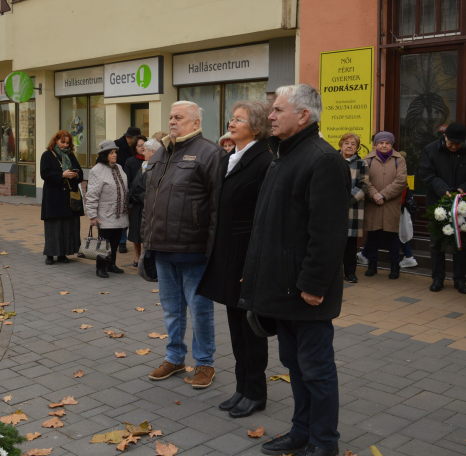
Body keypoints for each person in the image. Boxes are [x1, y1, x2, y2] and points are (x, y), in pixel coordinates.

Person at [240, 84, 349, 456]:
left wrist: (314, 284)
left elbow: (329, 233)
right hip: (282, 291)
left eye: (278, 110)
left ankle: (324, 442)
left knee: (316, 370)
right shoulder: (282, 157)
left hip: (305, 292)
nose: (269, 116)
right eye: (271, 110)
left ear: (304, 116)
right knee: (295, 367)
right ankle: (301, 432)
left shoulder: (324, 160)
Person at [197, 100, 274, 418]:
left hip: (246, 256)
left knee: (251, 329)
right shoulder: (232, 156)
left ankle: (256, 392)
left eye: (239, 119)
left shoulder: (264, 160)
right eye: (232, 118)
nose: (231, 123)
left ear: (256, 127)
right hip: (227, 253)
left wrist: (253, 264)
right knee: (235, 325)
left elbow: (263, 218)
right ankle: (242, 388)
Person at [142, 101, 223, 389]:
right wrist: (145, 242)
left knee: (200, 309)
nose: (173, 121)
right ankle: (175, 357)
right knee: (171, 309)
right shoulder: (160, 153)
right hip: (162, 249)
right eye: (171, 117)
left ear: (196, 123)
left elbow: (218, 208)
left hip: (194, 250)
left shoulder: (209, 153)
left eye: (179, 117)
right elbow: (149, 204)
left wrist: (213, 251)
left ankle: (205, 363)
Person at [419, 122, 466, 293]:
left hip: (462, 205)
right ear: (444, 137)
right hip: (438, 202)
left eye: (458, 144)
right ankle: (437, 278)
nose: (454, 147)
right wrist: (444, 190)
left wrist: (464, 188)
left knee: (461, 243)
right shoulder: (431, 149)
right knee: (436, 243)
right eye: (451, 143)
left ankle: (459, 280)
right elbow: (426, 174)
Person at [362, 132, 407, 279]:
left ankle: (395, 267)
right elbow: (364, 180)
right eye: (380, 143)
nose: (383, 145)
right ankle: (372, 265)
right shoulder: (367, 159)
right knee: (373, 235)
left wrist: (383, 195)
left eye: (387, 143)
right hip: (372, 203)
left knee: (392, 237)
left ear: (392, 145)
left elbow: (401, 181)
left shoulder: (399, 159)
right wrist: (375, 195)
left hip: (391, 203)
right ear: (375, 145)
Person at [85, 140, 130, 278]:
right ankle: (101, 267)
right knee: (104, 242)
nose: (114, 155)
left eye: (115, 152)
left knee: (115, 241)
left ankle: (111, 264)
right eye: (111, 153)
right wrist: (92, 215)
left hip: (119, 213)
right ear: (104, 154)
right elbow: (92, 195)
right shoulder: (96, 171)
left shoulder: (119, 168)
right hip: (105, 214)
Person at [40, 130, 84, 265]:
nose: (65, 145)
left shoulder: (71, 156)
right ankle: (50, 254)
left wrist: (75, 175)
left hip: (68, 197)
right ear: (55, 141)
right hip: (53, 197)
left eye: (67, 142)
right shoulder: (47, 155)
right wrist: (61, 175)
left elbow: (80, 173)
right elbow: (44, 174)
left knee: (66, 226)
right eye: (62, 142)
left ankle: (62, 254)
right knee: (53, 226)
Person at [339, 133, 369, 284]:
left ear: (357, 148)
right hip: (333, 208)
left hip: (352, 208)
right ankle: (335, 272)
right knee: (335, 241)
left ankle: (350, 272)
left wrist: (347, 199)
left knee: (350, 244)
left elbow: (363, 185)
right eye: (346, 143)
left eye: (353, 144)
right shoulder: (333, 160)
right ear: (341, 145)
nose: (349, 146)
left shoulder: (361, 163)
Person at [127, 138, 161, 267]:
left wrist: (139, 195)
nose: (143, 153)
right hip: (138, 205)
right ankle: (138, 257)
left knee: (147, 233)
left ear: (153, 152)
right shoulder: (143, 165)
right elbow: (135, 183)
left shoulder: (158, 167)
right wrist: (133, 196)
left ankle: (147, 259)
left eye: (145, 150)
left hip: (148, 206)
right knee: (136, 232)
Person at [114, 127, 142, 253]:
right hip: (120, 184)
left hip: (135, 187)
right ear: (128, 138)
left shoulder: (139, 149)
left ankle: (125, 240)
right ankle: (121, 242)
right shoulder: (117, 147)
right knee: (123, 214)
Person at [124, 135, 147, 266]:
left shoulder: (151, 160)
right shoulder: (130, 161)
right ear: (135, 147)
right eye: (139, 145)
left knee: (145, 230)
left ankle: (145, 254)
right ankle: (137, 255)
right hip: (135, 199)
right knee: (135, 230)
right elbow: (128, 181)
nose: (142, 148)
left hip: (146, 200)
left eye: (144, 145)